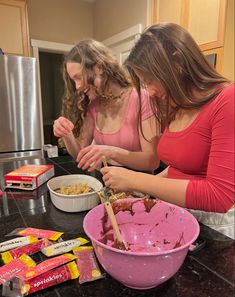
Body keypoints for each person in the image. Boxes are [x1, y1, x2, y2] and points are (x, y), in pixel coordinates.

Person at [101, 23, 235, 239]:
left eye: (151, 81)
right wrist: (142, 193)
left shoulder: (228, 99)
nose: (151, 91)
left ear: (178, 60)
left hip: (215, 231)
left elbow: (220, 196)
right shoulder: (177, 104)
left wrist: (135, 180)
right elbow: (179, 168)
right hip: (178, 216)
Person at [53, 39, 160, 172]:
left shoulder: (142, 98)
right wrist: (66, 133)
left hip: (139, 188)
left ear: (99, 68)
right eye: (73, 80)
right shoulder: (93, 106)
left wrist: (112, 152)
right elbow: (80, 154)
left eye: (78, 77)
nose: (77, 86)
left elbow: (152, 161)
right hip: (108, 185)